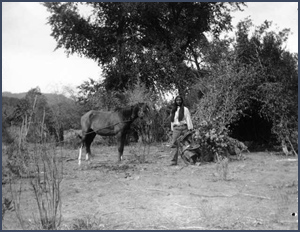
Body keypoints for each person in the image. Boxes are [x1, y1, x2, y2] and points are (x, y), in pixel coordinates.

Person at [169, 96, 193, 165]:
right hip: (176, 129)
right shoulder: (173, 110)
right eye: (177, 100)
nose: (178, 101)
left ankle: (189, 160)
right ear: (175, 101)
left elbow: (188, 119)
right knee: (174, 144)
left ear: (182, 101)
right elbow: (172, 121)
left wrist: (190, 128)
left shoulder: (185, 109)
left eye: (180, 100)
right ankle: (173, 161)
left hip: (184, 128)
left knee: (187, 144)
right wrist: (172, 130)